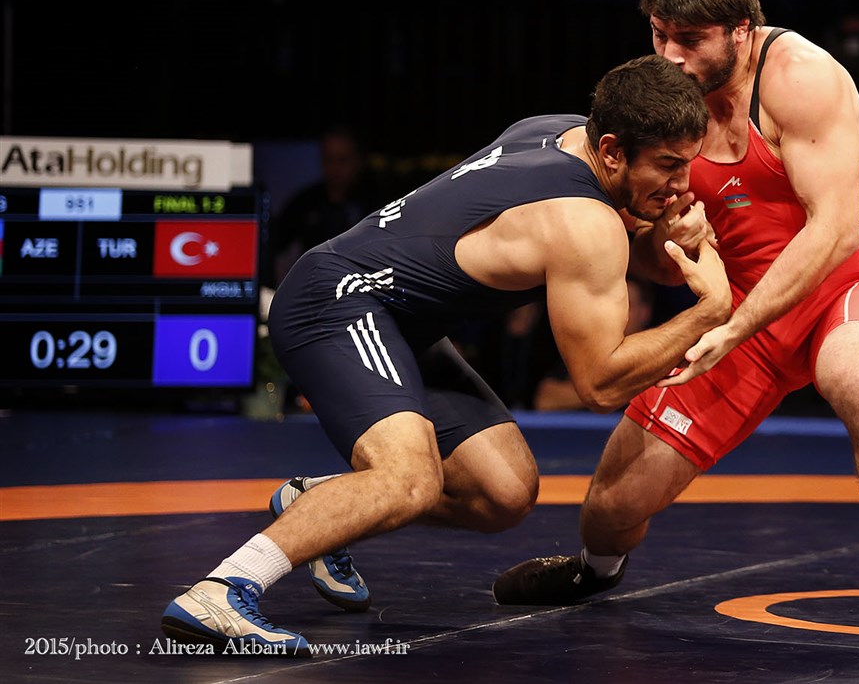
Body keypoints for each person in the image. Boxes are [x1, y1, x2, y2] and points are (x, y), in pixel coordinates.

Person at [160, 55, 732, 656]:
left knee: (503, 493)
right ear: (612, 151)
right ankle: (222, 591)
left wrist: (667, 236)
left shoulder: (558, 131)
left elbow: (619, 251)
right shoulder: (586, 222)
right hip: (337, 302)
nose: (682, 185)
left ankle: (316, 502)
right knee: (409, 478)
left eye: (687, 165)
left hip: (401, 319)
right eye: (668, 166)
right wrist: (708, 312)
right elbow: (600, 384)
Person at [493, 0, 859, 655]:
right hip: (737, 313)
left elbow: (834, 231)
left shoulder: (801, 78)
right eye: (659, 35)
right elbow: (651, 261)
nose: (670, 56)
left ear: (742, 30)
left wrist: (734, 325)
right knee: (612, 506)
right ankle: (596, 570)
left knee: (857, 380)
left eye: (689, 39)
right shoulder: (658, 101)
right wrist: (670, 241)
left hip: (845, 285)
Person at [269, 127, 381, 287]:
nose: (335, 168)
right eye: (329, 159)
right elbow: (281, 259)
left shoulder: (374, 206)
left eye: (343, 160)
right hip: (309, 290)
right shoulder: (301, 205)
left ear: (359, 161)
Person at [535, 277, 657, 411]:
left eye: (628, 305)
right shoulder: (588, 349)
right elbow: (545, 399)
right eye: (615, 304)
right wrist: (605, 392)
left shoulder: (656, 354)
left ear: (644, 312)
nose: (619, 311)